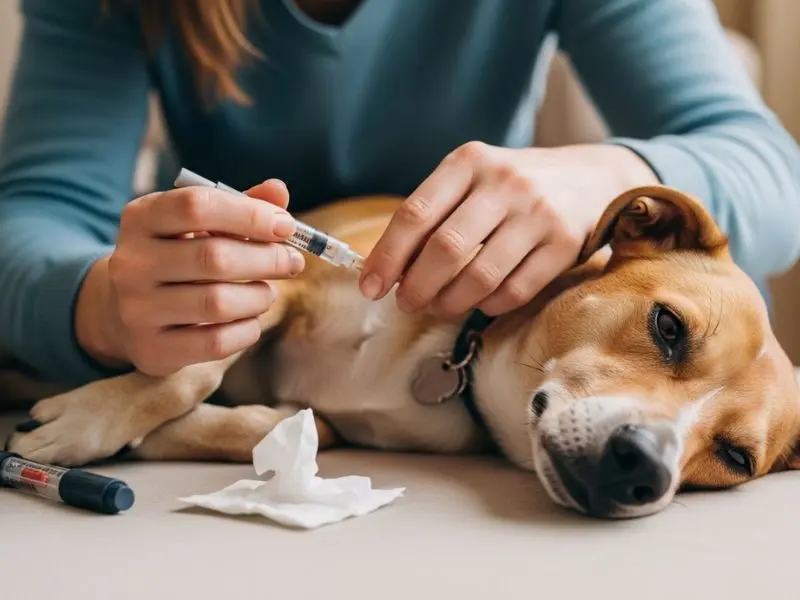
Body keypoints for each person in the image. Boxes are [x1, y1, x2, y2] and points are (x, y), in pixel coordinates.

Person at [1, 0, 798, 386]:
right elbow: (31, 217)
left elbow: (775, 177)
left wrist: (610, 176)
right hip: (230, 383)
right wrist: (99, 304)